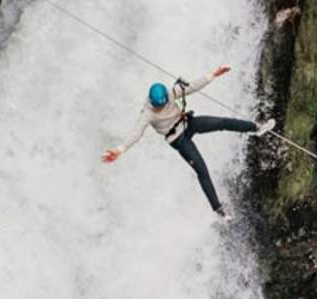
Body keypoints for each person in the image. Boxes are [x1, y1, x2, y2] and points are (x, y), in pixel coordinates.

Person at [102, 65, 275, 217]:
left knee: (222, 122)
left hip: (188, 123)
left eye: (163, 105)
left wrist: (213, 74)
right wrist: (120, 149)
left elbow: (191, 87)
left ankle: (257, 128)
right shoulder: (147, 113)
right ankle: (218, 208)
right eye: (159, 106)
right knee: (201, 168)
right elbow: (136, 132)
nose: (161, 108)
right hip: (177, 139)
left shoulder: (169, 94)